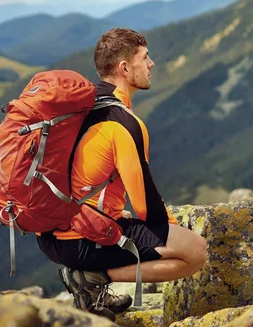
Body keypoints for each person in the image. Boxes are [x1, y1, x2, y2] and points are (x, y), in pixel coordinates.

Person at [36, 28, 208, 320]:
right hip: (79, 241)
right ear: (124, 68)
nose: (152, 64)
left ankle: (88, 277)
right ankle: (90, 279)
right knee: (195, 252)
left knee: (137, 226)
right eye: (145, 57)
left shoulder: (81, 107)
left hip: (49, 234)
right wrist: (173, 231)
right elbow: (146, 207)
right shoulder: (124, 124)